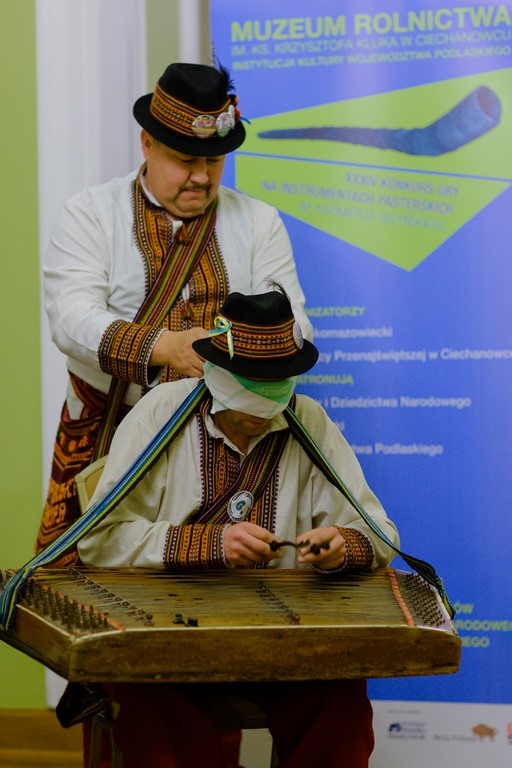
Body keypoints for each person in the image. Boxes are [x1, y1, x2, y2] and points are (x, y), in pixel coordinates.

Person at [77, 287, 400, 768]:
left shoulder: (308, 421)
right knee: (160, 710)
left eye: (274, 390)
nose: (259, 414)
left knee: (339, 705)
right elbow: (99, 540)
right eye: (251, 393)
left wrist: (343, 545)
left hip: (284, 640)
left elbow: (380, 532)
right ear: (217, 374)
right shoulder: (160, 414)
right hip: (166, 637)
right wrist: (211, 543)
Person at [36, 61, 312, 568]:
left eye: (214, 161)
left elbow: (295, 323)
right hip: (108, 431)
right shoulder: (90, 214)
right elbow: (70, 318)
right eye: (186, 160)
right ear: (147, 143)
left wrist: (246, 349)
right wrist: (166, 347)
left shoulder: (259, 222)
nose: (201, 177)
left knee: (231, 582)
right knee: (85, 589)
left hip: (227, 441)